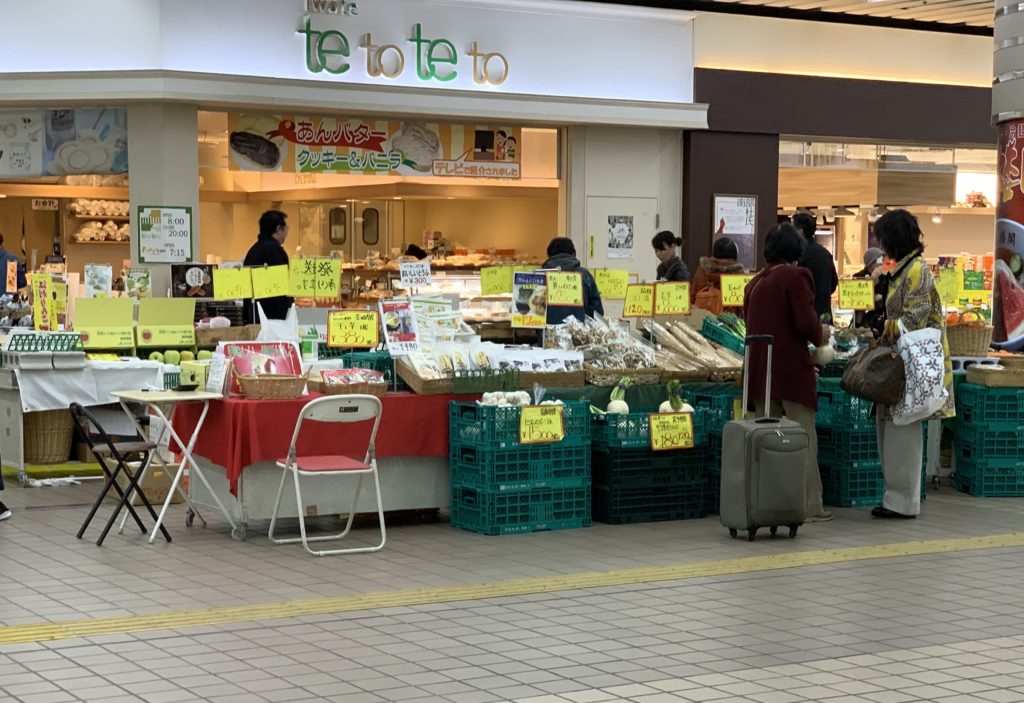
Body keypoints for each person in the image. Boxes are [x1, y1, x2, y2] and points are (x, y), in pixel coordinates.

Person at [744, 223, 832, 523]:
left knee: (767, 441)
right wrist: (824, 334)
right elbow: (807, 325)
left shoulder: (754, 283)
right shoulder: (796, 276)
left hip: (759, 371)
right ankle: (809, 506)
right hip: (790, 370)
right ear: (796, 251)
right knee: (802, 439)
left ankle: (769, 502)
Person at [871, 210, 953, 520]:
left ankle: (904, 502)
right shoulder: (904, 269)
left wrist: (882, 326)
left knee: (903, 432)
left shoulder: (916, 271)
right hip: (900, 365)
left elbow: (913, 321)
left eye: (882, 238)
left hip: (912, 368)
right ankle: (895, 498)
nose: (881, 245)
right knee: (892, 431)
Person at [243, 210, 293, 324]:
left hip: (254, 315)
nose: (287, 232)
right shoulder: (275, 251)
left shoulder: (253, 250)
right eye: (286, 228)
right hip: (272, 318)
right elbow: (280, 287)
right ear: (278, 228)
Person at [542, 237, 603, 324]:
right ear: (573, 253)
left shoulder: (541, 275)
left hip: (547, 333)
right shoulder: (585, 275)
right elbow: (597, 312)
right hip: (579, 333)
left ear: (549, 254)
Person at [792, 212, 838, 323]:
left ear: (801, 231)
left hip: (804, 315)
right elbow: (834, 283)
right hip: (824, 314)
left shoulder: (797, 255)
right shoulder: (825, 254)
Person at [690, 236, 746, 313]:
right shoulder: (738, 274)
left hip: (703, 318)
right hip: (730, 321)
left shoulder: (702, 269)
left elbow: (693, 297)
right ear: (734, 254)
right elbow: (743, 307)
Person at [852, 247, 886, 333]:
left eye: (882, 259)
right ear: (870, 263)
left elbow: (889, 296)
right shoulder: (858, 276)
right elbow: (859, 301)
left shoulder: (885, 276)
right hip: (862, 321)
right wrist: (873, 278)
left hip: (882, 319)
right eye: (878, 260)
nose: (881, 262)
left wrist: (881, 298)